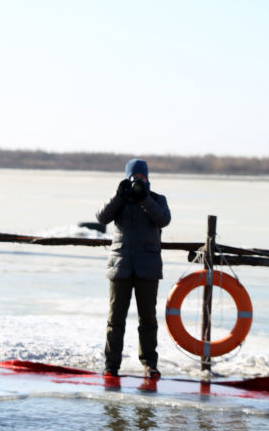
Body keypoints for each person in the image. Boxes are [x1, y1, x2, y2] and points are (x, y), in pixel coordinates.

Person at [96, 158, 171, 378]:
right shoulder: (120, 199)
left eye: (142, 177)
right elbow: (101, 217)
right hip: (120, 266)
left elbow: (163, 219)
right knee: (115, 319)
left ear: (148, 178)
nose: (138, 181)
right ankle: (111, 365)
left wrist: (144, 198)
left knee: (148, 319)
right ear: (127, 177)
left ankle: (149, 364)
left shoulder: (157, 199)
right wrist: (119, 196)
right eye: (134, 177)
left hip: (148, 268)